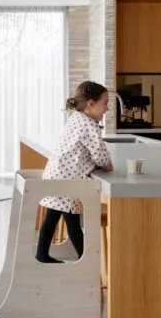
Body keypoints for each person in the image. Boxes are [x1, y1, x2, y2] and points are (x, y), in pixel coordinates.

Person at [37, 81, 113, 264]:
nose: (107, 108)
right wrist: (107, 165)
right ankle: (85, 263)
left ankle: (42, 255)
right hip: (68, 179)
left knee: (53, 217)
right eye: (105, 103)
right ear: (91, 104)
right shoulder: (90, 125)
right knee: (72, 222)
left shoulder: (76, 117)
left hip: (56, 173)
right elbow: (99, 153)